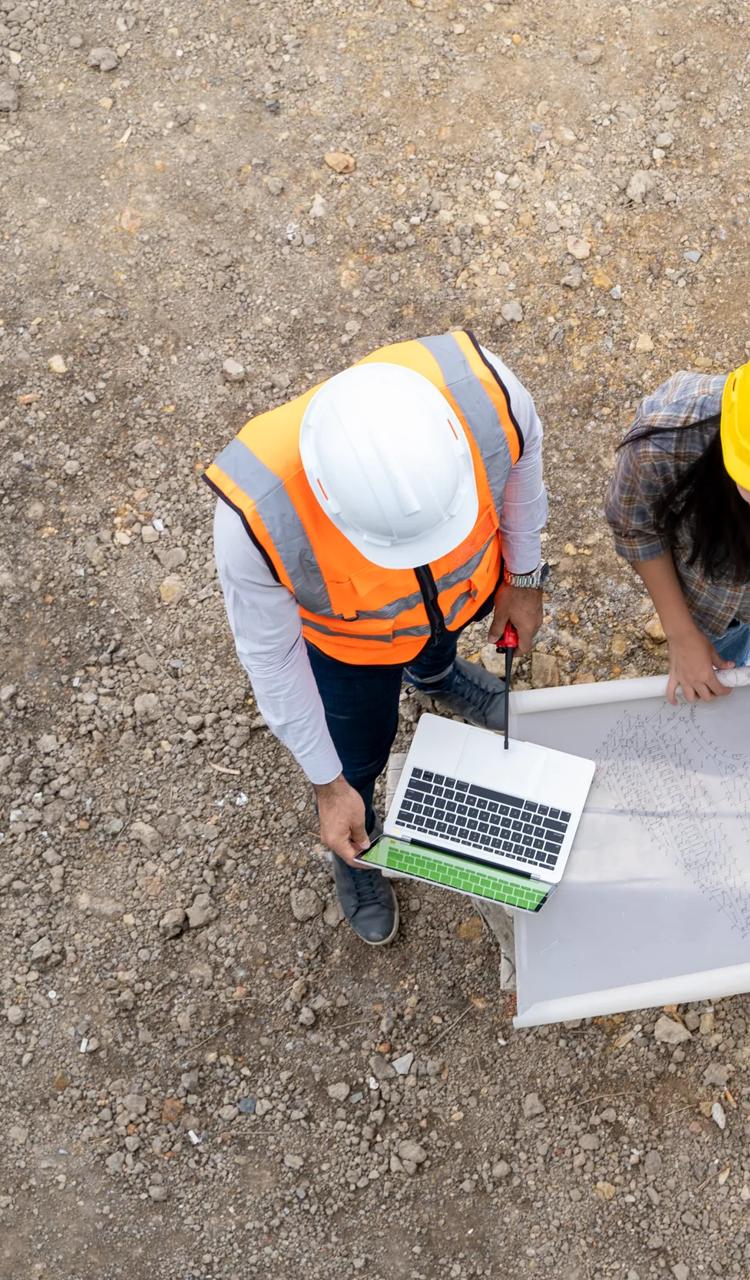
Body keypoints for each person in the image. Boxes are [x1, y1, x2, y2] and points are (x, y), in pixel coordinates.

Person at [206, 330, 549, 945]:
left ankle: (436, 676)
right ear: (329, 499)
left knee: (439, 642)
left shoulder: (490, 397)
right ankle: (357, 840)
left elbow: (523, 466)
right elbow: (273, 661)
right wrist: (328, 785)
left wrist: (524, 578)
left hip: (456, 600)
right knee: (357, 752)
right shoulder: (257, 516)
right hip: (349, 651)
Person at [606, 362, 750, 704]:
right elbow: (635, 528)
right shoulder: (667, 435)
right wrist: (682, 635)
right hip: (714, 610)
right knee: (720, 659)